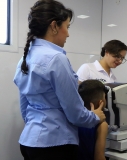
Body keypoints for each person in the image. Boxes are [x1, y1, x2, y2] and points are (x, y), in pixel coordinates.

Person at [13, 1, 105, 160]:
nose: (68, 34)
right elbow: (75, 113)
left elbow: (25, 107)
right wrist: (96, 116)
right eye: (67, 27)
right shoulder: (57, 59)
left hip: (28, 141)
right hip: (55, 145)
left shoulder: (24, 59)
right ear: (54, 26)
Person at [77, 80, 108, 160]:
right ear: (100, 102)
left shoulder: (75, 119)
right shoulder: (101, 125)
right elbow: (99, 157)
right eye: (105, 97)